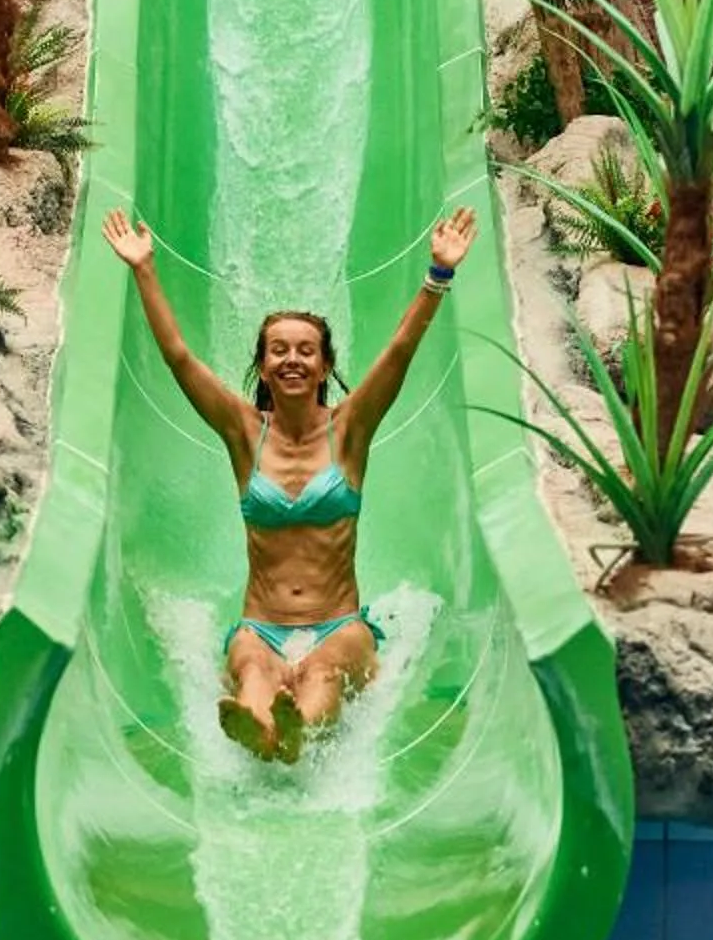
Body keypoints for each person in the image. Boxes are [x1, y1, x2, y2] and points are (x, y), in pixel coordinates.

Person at [102, 203, 477, 760]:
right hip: (262, 624)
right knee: (253, 671)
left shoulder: (350, 430)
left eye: (306, 350)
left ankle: (291, 727)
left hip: (338, 625)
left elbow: (399, 351)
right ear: (262, 365)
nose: (292, 359)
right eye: (278, 350)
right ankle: (267, 726)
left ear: (325, 366)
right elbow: (180, 358)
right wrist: (143, 268)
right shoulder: (242, 432)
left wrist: (438, 275)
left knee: (323, 676)